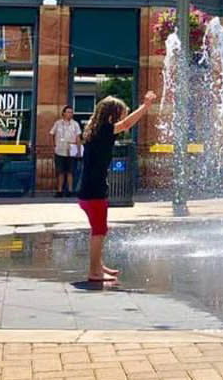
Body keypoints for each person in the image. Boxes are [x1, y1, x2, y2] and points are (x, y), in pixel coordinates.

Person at [78, 91, 155, 282]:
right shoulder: (104, 129)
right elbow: (127, 124)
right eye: (120, 113)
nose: (121, 116)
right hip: (94, 192)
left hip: (88, 190)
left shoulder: (93, 129)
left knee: (99, 230)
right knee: (99, 231)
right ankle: (94, 272)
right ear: (111, 114)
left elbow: (124, 124)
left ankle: (99, 266)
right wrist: (145, 107)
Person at [50, 105, 81, 198]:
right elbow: (51, 134)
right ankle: (59, 191)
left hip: (71, 151)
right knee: (60, 171)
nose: (70, 114)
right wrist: (53, 146)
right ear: (63, 113)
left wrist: (78, 150)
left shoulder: (75, 124)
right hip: (59, 150)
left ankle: (70, 190)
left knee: (70, 171)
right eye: (68, 112)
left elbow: (78, 137)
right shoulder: (58, 123)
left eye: (71, 112)